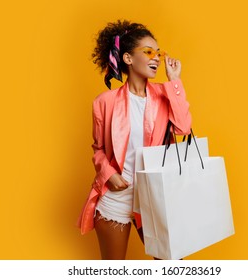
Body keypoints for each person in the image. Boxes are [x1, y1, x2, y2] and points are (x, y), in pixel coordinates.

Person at [77, 19, 192, 259]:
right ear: (128, 59)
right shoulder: (104, 102)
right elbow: (98, 149)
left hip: (153, 195)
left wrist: (175, 82)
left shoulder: (165, 94)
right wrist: (109, 174)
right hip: (116, 196)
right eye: (148, 52)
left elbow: (183, 128)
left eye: (158, 53)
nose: (156, 58)